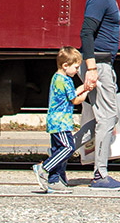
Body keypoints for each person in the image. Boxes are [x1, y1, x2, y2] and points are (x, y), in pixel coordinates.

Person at [79, 0, 120, 190]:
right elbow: (86, 33)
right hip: (98, 64)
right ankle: (100, 175)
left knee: (102, 118)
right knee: (108, 117)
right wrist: (91, 68)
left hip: (102, 64)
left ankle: (53, 161)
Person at [32, 47, 89, 193]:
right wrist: (88, 90)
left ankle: (55, 181)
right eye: (76, 67)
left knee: (58, 151)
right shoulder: (66, 80)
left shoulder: (57, 78)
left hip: (55, 121)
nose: (77, 71)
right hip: (62, 122)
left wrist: (83, 87)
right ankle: (43, 168)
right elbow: (75, 100)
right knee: (68, 148)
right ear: (65, 65)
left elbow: (71, 94)